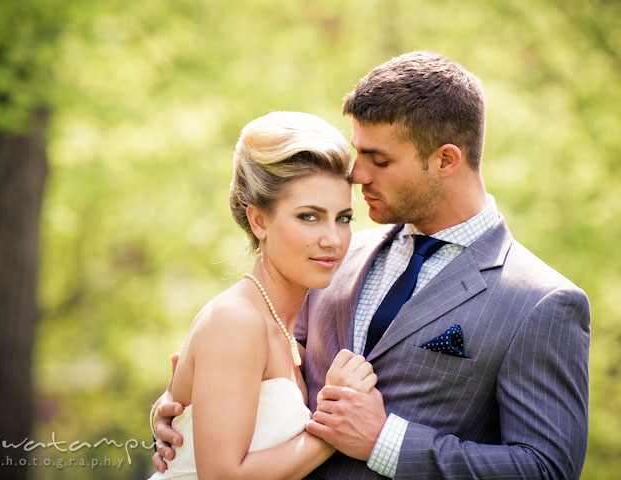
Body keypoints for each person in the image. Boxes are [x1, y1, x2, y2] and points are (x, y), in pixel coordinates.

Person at [154, 51, 591, 479]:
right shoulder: (331, 260)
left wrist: (384, 440)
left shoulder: (541, 303)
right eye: (358, 153)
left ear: (445, 160)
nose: (358, 175)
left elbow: (546, 468)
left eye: (379, 160)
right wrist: (185, 407)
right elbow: (270, 373)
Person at [148, 111, 378, 480]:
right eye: (309, 216)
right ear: (259, 221)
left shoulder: (290, 332)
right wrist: (337, 428)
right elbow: (224, 476)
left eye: (344, 218)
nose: (332, 239)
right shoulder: (236, 321)